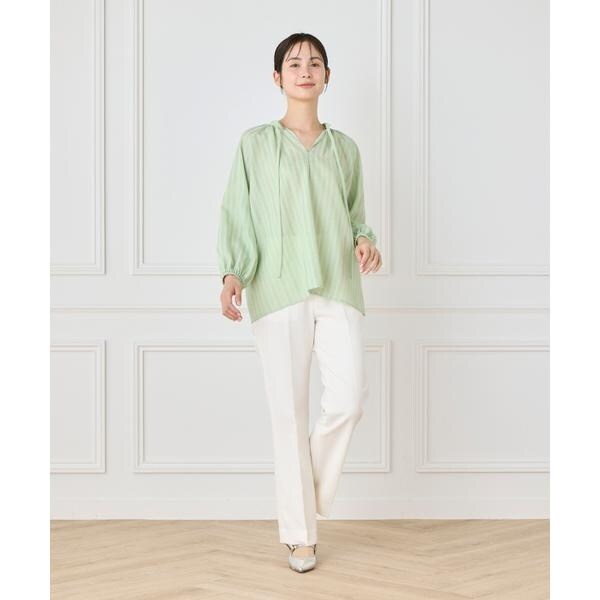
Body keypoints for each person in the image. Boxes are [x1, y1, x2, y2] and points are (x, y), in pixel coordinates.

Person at [216, 33, 382, 573]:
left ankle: (302, 500)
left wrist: (365, 241)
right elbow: (238, 214)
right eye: (294, 63)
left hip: (337, 283)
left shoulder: (345, 149)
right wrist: (234, 272)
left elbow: (355, 215)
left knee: (348, 400)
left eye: (314, 62)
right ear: (278, 78)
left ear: (327, 76)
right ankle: (300, 535)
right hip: (277, 286)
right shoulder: (255, 144)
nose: (305, 70)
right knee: (288, 415)